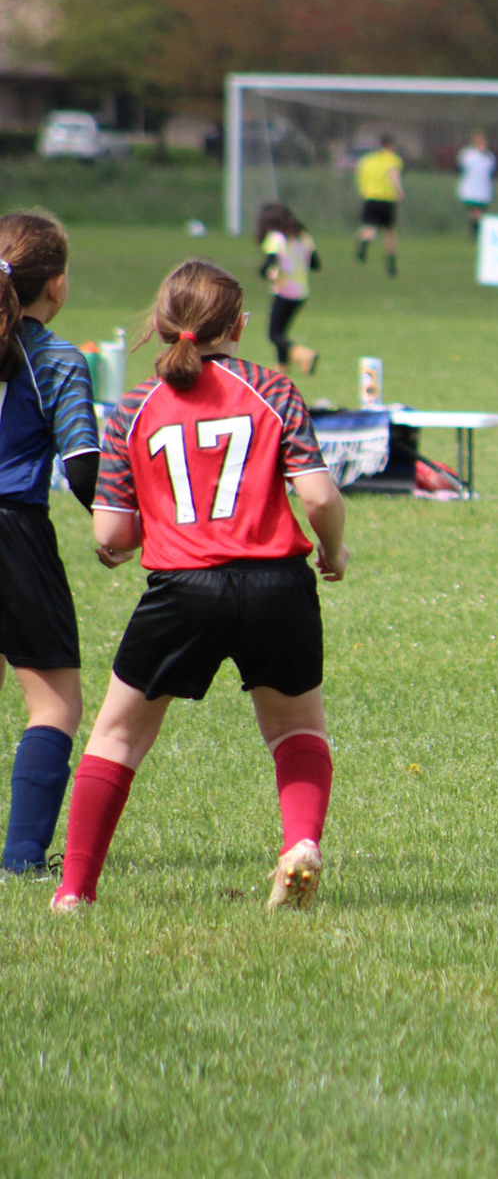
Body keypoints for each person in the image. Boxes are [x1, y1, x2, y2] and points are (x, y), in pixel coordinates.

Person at [50, 260, 349, 912]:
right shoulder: (272, 388)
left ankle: (73, 891)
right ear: (238, 326)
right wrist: (333, 549)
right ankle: (300, 844)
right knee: (296, 727)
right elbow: (320, 497)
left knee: (118, 737)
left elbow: (111, 533)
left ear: (161, 324)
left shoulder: (135, 406)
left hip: (183, 588)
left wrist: (130, 541)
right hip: (277, 584)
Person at [0, 212, 98, 878]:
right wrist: (123, 530)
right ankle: (22, 858)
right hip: (14, 534)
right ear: (56, 285)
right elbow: (84, 469)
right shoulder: (55, 358)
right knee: (54, 703)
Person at [256, 202, 320, 374]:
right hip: (301, 292)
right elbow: (315, 264)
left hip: (284, 291)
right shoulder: (304, 237)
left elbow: (268, 265)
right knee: (281, 332)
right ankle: (281, 368)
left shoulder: (276, 238)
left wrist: (266, 273)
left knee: (274, 334)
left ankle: (303, 354)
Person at [355, 134, 404, 278]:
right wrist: (399, 191)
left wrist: (364, 192)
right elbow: (393, 174)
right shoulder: (392, 159)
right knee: (389, 232)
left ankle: (364, 243)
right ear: (390, 145)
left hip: (370, 197)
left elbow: (360, 178)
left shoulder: (367, 160)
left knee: (369, 226)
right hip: (387, 198)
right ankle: (391, 265)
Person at [456, 129, 495, 239]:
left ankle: (477, 232)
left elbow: (490, 170)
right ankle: (474, 233)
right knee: (475, 212)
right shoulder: (468, 154)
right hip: (471, 189)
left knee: (480, 213)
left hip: (483, 190)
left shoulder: (489, 157)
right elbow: (462, 166)